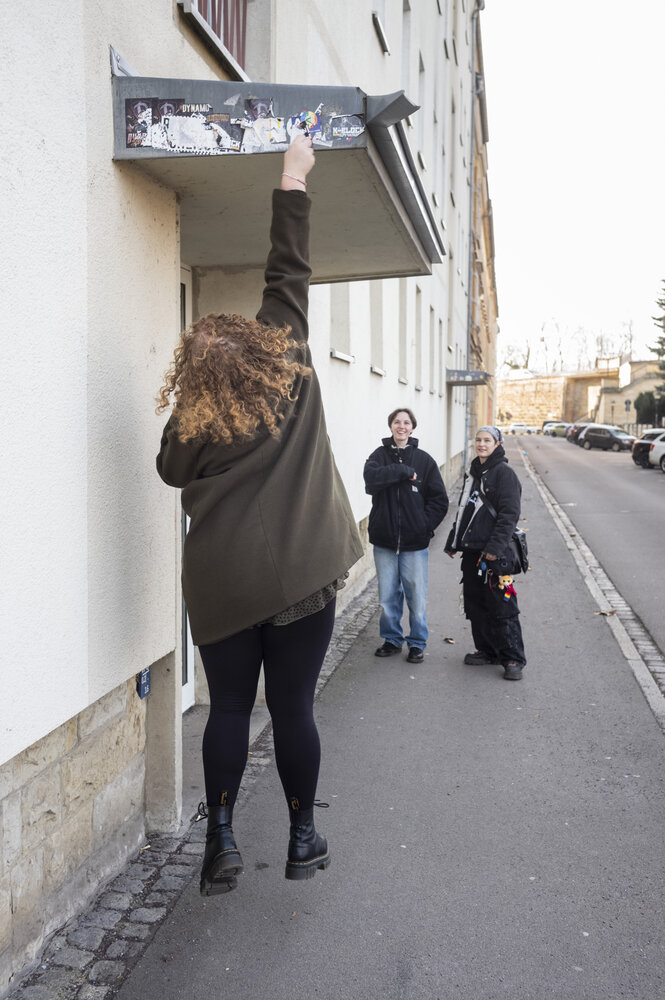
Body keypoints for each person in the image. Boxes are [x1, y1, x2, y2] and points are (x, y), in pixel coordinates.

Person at [156, 135, 363, 895]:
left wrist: (188, 406)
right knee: (294, 709)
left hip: (221, 587)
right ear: (255, 343)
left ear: (194, 371)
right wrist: (292, 177)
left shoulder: (192, 423)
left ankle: (220, 841)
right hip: (303, 576)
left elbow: (167, 471)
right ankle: (302, 836)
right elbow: (289, 269)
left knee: (229, 711)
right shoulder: (290, 362)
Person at [363, 409, 448, 663]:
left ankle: (417, 642)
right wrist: (401, 471)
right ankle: (392, 639)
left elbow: (439, 500)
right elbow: (371, 480)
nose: (401, 426)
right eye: (397, 422)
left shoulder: (424, 460)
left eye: (406, 422)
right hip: (385, 541)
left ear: (412, 428)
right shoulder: (378, 457)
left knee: (416, 595)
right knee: (388, 596)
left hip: (414, 543)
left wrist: (425, 526)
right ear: (391, 426)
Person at [445, 426, 527, 681]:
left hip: (497, 556)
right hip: (472, 553)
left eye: (487, 440)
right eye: (478, 440)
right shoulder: (475, 472)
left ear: (497, 443)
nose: (481, 444)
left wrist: (494, 549)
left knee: (504, 605)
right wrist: (453, 541)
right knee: (476, 605)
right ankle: (487, 650)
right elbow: (464, 511)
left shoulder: (504, 474)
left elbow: (509, 516)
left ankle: (513, 657)